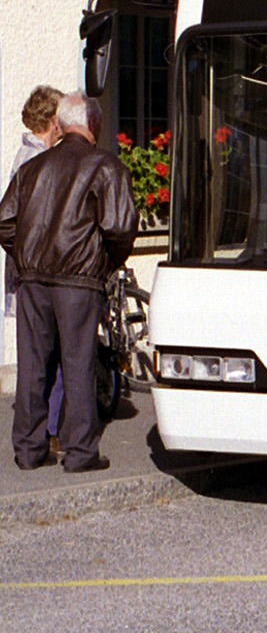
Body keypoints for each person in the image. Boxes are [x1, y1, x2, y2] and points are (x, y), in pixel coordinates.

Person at [0, 92, 137, 472]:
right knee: (77, 363)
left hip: (34, 279)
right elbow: (121, 228)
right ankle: (80, 452)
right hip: (77, 279)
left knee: (32, 364)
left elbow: (6, 222)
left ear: (60, 124)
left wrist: (27, 255)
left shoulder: (32, 168)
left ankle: (28, 450)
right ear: (93, 124)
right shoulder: (105, 167)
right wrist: (104, 266)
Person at [4, 86, 65, 453]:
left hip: (28, 271)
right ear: (52, 120)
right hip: (39, 273)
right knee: (48, 353)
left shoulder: (28, 156)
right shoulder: (34, 160)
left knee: (40, 354)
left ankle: (41, 431)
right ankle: (48, 430)